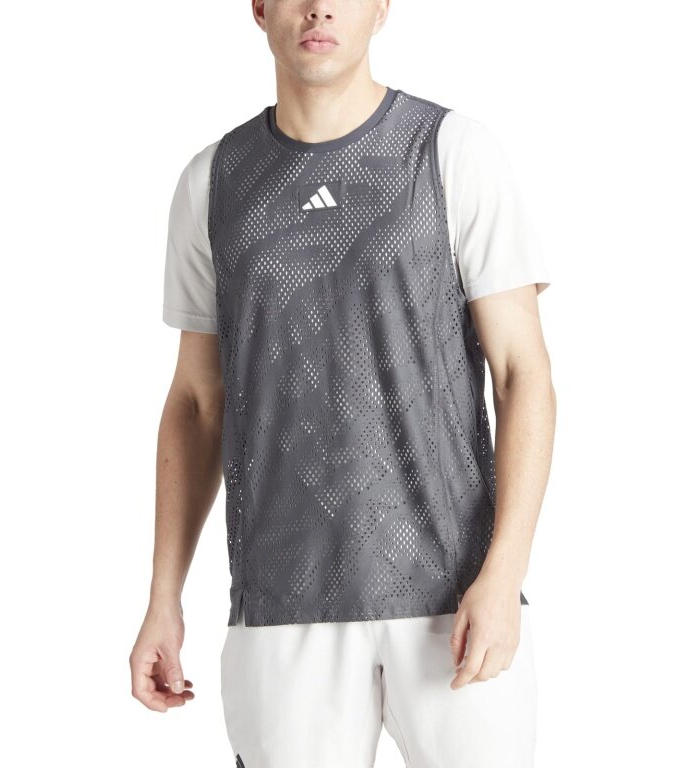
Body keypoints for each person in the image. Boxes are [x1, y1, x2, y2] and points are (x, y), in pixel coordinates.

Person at [130, 1, 556, 766]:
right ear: (259, 8)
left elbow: (523, 374)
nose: (320, 7)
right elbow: (195, 404)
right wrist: (165, 597)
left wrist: (505, 573)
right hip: (280, 605)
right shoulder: (212, 183)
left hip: (453, 598)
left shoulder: (453, 153)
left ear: (381, 7)